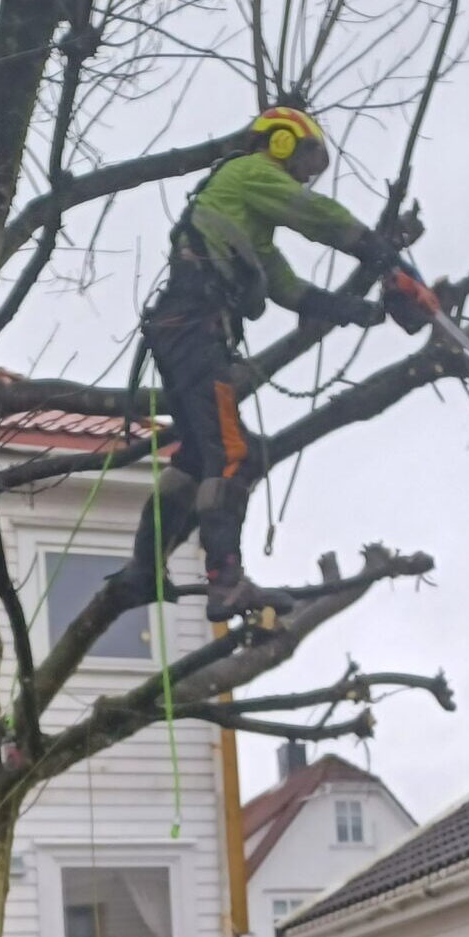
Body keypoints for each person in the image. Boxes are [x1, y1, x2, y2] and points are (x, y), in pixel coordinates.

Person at [113, 106, 403, 622]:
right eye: (304, 161)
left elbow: (284, 285)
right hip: (197, 334)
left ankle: (143, 566)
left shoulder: (247, 219)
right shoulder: (249, 172)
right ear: (283, 142)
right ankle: (226, 579)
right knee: (233, 455)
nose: (302, 176)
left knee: (197, 460)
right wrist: (371, 246)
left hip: (183, 336)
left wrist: (350, 309)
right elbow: (314, 215)